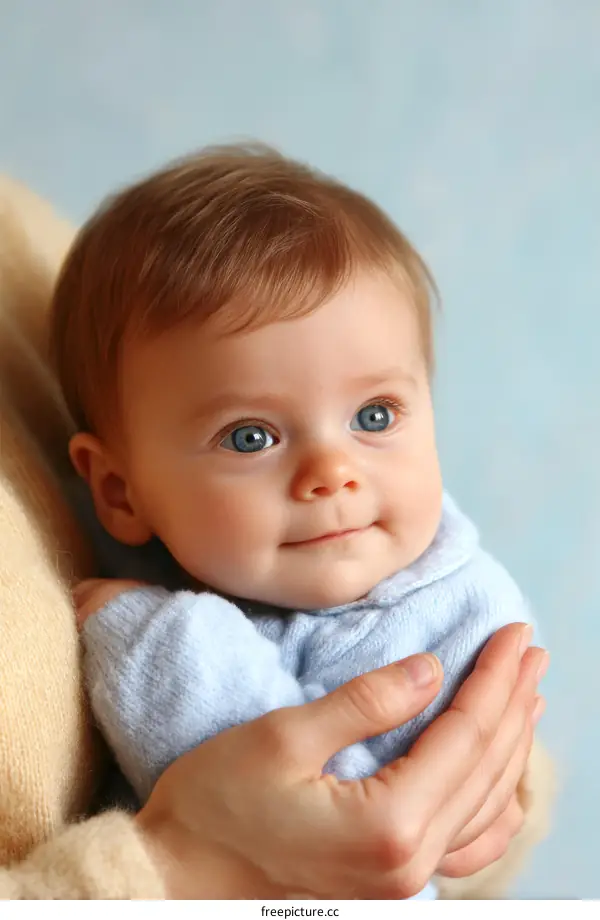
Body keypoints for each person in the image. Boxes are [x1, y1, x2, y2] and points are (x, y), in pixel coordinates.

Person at [48, 145, 554, 898]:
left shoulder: (452, 608)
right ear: (120, 493)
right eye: (251, 436)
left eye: (373, 416)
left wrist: (140, 632)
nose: (332, 473)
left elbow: (312, 814)